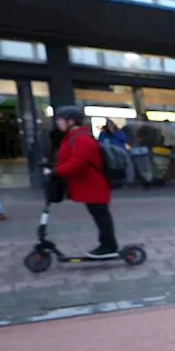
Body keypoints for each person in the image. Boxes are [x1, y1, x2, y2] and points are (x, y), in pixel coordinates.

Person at [51, 106, 119, 257]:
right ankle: (108, 245)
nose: (57, 122)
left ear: (71, 121)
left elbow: (78, 162)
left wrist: (57, 171)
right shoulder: (74, 136)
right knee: (99, 214)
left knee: (101, 214)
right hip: (89, 184)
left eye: (60, 119)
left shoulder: (81, 138)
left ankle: (109, 246)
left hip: (94, 185)